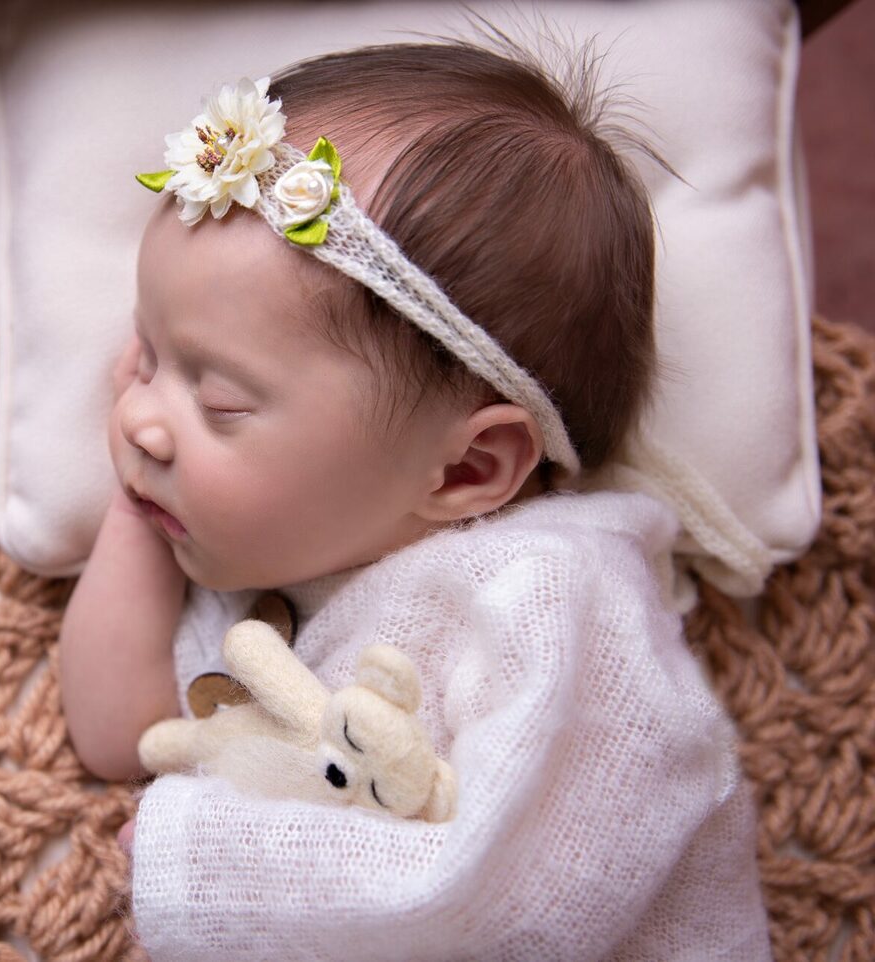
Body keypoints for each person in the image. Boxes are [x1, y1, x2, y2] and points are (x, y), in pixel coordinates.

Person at [57, 37, 771, 961]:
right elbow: (121, 734)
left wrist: (207, 859)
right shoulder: (279, 566)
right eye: (146, 356)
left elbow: (512, 900)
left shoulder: (554, 594)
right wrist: (133, 511)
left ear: (469, 472)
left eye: (219, 400)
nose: (143, 416)